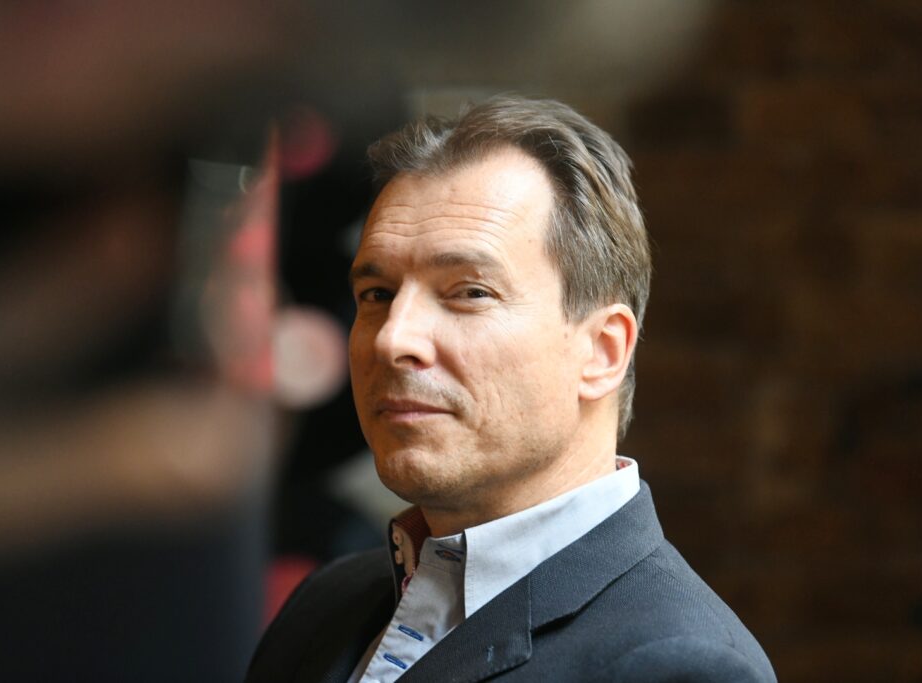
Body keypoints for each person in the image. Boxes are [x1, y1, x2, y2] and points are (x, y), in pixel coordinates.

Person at [246, 95, 776, 683]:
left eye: (469, 292)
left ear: (603, 351)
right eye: (377, 294)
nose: (393, 338)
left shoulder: (677, 667)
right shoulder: (325, 605)